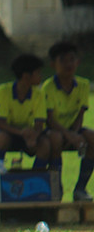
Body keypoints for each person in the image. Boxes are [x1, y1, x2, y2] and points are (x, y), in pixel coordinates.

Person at [43, 41, 94, 202]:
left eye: (72, 60)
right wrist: (69, 135)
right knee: (56, 139)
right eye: (63, 61)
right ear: (53, 65)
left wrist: (75, 133)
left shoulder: (83, 85)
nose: (68, 64)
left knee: (92, 137)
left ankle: (80, 189)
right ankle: (56, 188)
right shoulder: (48, 87)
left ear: (77, 62)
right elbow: (49, 119)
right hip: (52, 131)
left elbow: (80, 113)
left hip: (72, 129)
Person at [0, 53, 50, 182]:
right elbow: (0, 123)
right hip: (8, 132)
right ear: (26, 76)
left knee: (45, 144)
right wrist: (21, 133)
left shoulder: (38, 94)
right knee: (2, 137)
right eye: (38, 72)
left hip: (28, 134)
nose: (41, 76)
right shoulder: (4, 91)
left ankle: (36, 179)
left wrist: (34, 136)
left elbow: (40, 123)